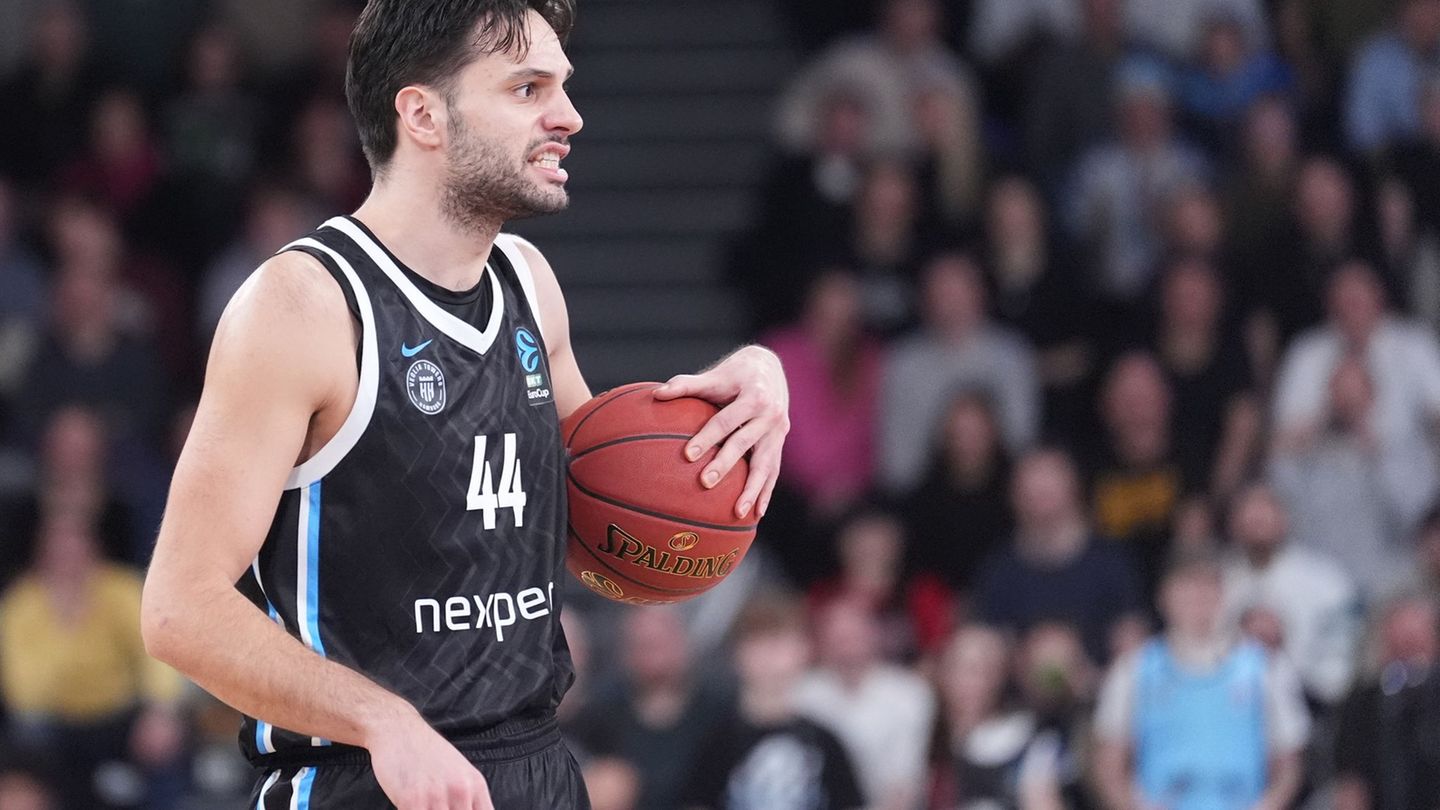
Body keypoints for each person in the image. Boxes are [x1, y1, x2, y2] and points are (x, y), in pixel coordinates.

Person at [138, 3, 792, 809]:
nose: (569, 115)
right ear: (422, 114)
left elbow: (597, 532)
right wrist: (383, 722)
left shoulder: (530, 285)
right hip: (368, 778)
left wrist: (749, 380)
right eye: (527, 88)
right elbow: (179, 610)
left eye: (563, 85)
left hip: (537, 769)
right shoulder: (303, 307)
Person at [1093, 551, 1310, 810]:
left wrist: (1266, 806)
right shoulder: (1133, 669)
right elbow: (1109, 764)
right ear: (1163, 598)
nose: (1197, 599)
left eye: (1208, 588)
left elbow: (1289, 762)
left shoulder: (1265, 667)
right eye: (1186, 589)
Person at [680, 592, 863, 810]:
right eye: (758, 642)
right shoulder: (715, 740)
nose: (770, 655)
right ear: (737, 653)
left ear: (804, 651)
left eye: (779, 641)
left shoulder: (825, 741)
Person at [974, 448, 1146, 666]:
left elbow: (1134, 650)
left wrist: (1088, 680)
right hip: (1017, 697)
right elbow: (988, 651)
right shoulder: (998, 571)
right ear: (1014, 497)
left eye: (1048, 490)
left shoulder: (1112, 562)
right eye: (1031, 492)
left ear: (1074, 489)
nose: (1040, 499)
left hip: (1102, 694)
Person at [1220, 482, 1361, 706]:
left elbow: (1342, 662)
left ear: (1284, 518)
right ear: (1233, 524)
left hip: (1312, 703)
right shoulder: (1220, 583)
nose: (1257, 520)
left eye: (1265, 511)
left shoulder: (1326, 580)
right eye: (1248, 514)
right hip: (1235, 704)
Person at [792, 598, 936, 809]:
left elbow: (904, 786)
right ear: (821, 643)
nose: (847, 647)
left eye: (855, 636)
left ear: (874, 635)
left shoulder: (910, 694)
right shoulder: (801, 694)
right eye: (838, 638)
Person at [1333, 592, 1440, 810]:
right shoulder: (1363, 701)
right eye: (1399, 649)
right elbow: (1351, 782)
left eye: (1414, 646)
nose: (1409, 663)